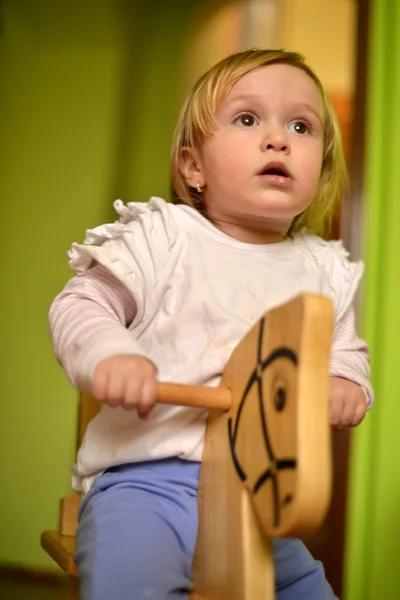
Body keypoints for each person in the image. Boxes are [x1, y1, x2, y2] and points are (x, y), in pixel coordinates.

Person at [49, 49, 374, 600]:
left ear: (320, 169)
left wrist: (345, 382)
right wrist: (110, 353)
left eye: (301, 125)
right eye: (248, 120)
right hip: (147, 481)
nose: (278, 139)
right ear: (193, 167)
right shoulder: (163, 238)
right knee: (130, 579)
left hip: (256, 494)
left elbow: (344, 348)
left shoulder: (322, 269)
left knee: (307, 586)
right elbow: (82, 303)